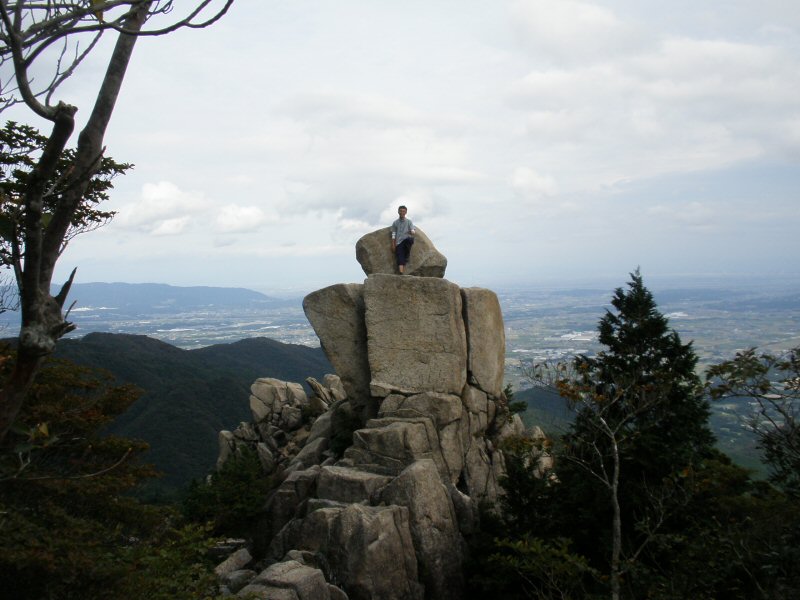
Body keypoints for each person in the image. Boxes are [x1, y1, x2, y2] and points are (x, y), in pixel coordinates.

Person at [390, 205, 416, 274]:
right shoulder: (395, 223)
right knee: (400, 256)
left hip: (406, 239)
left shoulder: (409, 221)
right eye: (401, 211)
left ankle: (407, 255)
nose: (402, 212)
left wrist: (412, 231)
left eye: (404, 211)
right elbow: (393, 234)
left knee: (410, 240)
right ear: (398, 212)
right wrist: (393, 244)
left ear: (406, 212)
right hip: (399, 242)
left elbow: (413, 230)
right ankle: (401, 272)